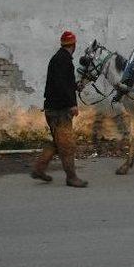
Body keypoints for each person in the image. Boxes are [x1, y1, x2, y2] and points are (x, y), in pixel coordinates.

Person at [31, 31, 88, 188]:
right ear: (74, 45)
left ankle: (39, 169)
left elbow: (63, 83)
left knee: (58, 142)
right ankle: (72, 177)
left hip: (52, 108)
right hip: (59, 111)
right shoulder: (64, 61)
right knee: (67, 145)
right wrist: (72, 104)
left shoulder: (59, 59)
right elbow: (62, 86)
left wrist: (76, 86)